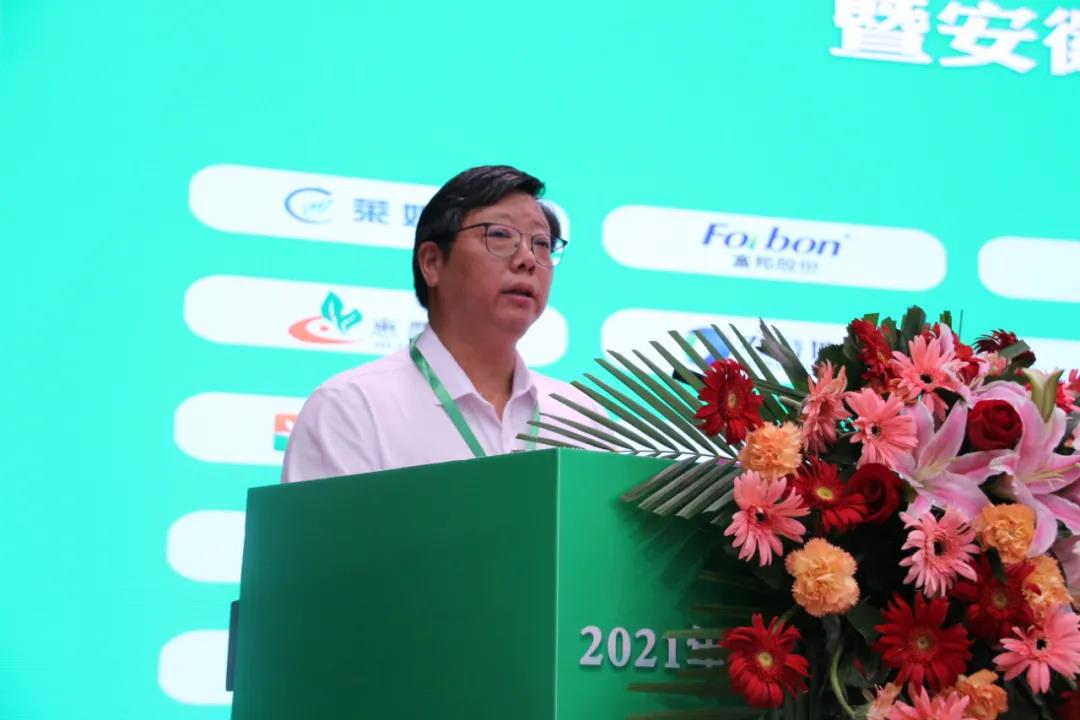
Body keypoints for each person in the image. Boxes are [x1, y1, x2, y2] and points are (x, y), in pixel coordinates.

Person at [281, 165, 603, 482]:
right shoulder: (351, 409)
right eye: (500, 235)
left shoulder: (581, 417)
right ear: (432, 263)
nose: (528, 260)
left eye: (542, 244)